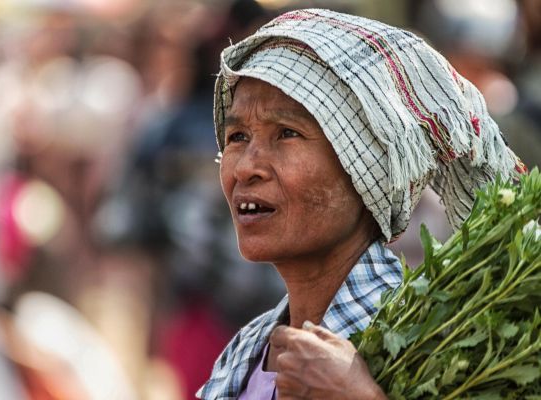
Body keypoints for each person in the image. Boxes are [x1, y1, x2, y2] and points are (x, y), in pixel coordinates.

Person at [197, 9, 524, 400]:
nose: (247, 166)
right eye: (237, 136)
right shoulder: (245, 352)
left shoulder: (435, 338)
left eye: (286, 133)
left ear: (366, 169)